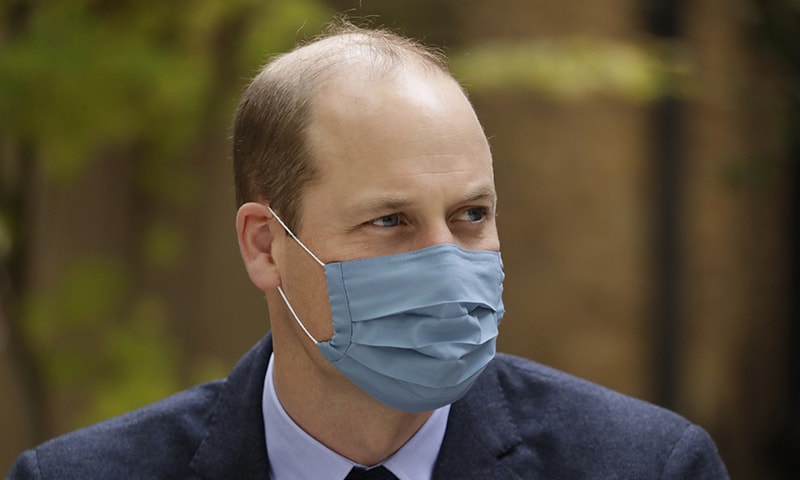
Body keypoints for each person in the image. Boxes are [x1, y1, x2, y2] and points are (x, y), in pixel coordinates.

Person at [7, 22, 728, 479]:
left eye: (471, 215)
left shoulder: (648, 465)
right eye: (390, 221)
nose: (447, 263)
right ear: (265, 246)